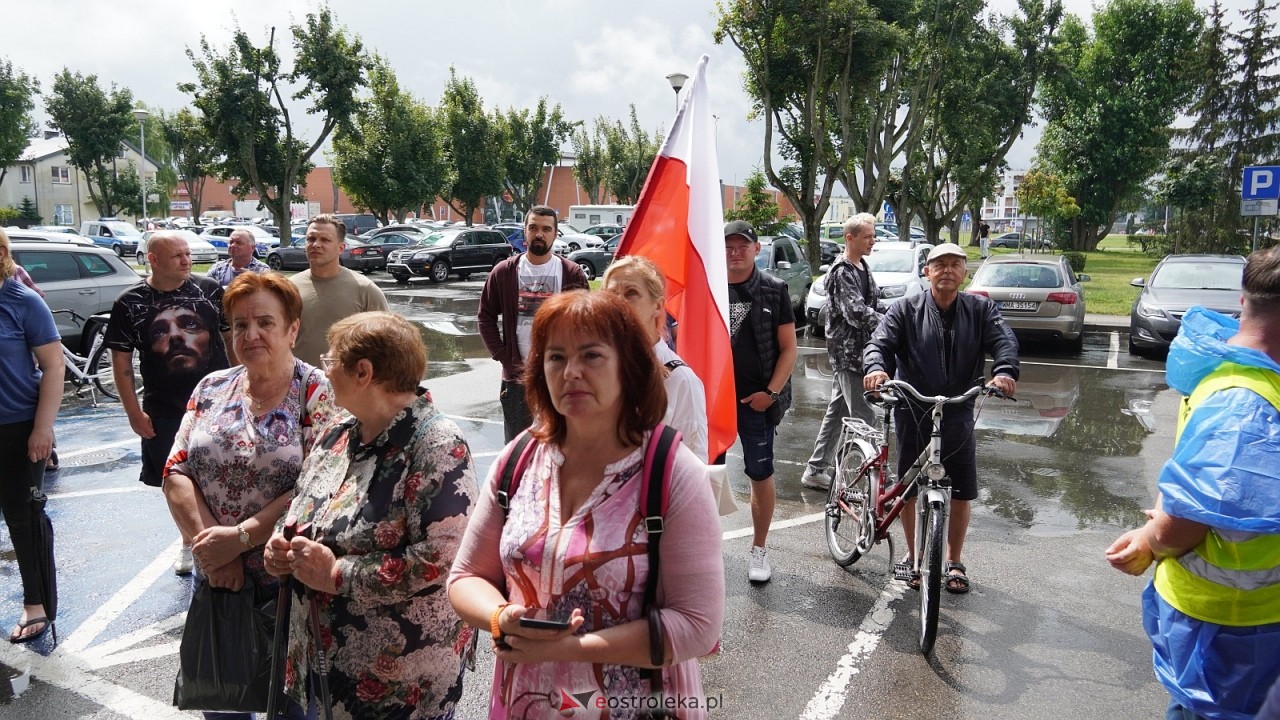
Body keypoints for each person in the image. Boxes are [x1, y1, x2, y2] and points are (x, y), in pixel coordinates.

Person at [448, 290, 724, 719]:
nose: (571, 372)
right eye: (555, 357)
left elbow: (696, 626)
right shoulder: (519, 457)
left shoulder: (672, 471)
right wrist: (501, 617)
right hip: (523, 704)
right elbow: (465, 577)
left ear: (629, 367)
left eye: (591, 356)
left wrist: (572, 650)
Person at [263, 311, 476, 719]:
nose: (325, 370)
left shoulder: (436, 444)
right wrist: (280, 542)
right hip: (320, 661)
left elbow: (441, 561)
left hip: (398, 683)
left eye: (330, 361)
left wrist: (336, 574)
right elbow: (301, 504)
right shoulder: (339, 429)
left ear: (363, 371)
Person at [1105, 245, 1280, 720]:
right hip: (1235, 628)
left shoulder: (1236, 376)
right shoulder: (1244, 404)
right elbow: (1185, 523)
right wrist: (1153, 537)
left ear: (1244, 301)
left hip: (1237, 623)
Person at [162, 272, 336, 720]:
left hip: (287, 584)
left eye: (265, 322)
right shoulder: (211, 387)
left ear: (293, 328)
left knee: (295, 709)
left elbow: (319, 486)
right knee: (223, 700)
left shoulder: (316, 391)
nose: (250, 334)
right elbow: (176, 470)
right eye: (239, 325)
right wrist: (217, 554)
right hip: (219, 577)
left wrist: (240, 539)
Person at [863, 242, 1018, 594]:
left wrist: (1005, 371)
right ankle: (913, 557)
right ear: (927, 272)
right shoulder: (905, 308)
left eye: (955, 265)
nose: (947, 270)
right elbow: (880, 343)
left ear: (964, 273)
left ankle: (954, 559)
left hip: (959, 407)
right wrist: (876, 370)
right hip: (913, 406)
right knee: (908, 486)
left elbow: (1003, 340)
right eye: (940, 265)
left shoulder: (980, 309)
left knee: (961, 490)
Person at [105, 231, 231, 575]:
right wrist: (132, 411)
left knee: (221, 470)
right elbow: (121, 364)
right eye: (177, 255)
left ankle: (223, 537)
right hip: (163, 407)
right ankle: (189, 540)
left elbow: (230, 338)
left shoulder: (209, 291)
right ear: (153, 259)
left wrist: (245, 383)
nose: (186, 261)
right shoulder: (129, 303)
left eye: (188, 254)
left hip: (216, 403)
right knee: (173, 478)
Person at [715, 220, 797, 583]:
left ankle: (759, 550)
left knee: (760, 473)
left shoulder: (774, 290)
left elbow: (789, 349)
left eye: (741, 245)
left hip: (756, 401)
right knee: (706, 475)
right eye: (728, 246)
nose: (735, 252)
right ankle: (704, 547)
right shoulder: (707, 286)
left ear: (756, 248)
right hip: (712, 401)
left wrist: (772, 393)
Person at [0, 228, 63, 643]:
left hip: (18, 428)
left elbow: (53, 366)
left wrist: (43, 428)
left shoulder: (22, 301)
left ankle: (36, 604)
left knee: (24, 518)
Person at [478, 205, 588, 442]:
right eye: (533, 228)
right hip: (518, 378)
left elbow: (587, 323)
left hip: (561, 376)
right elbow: (485, 316)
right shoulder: (503, 272)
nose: (539, 234)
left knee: (563, 446)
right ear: (525, 231)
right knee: (518, 450)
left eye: (546, 229)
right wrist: (503, 355)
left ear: (555, 233)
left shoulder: (571, 273)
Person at [801, 213, 881, 492]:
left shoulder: (862, 267)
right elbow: (856, 313)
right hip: (848, 355)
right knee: (866, 417)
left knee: (837, 413)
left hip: (861, 352)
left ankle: (816, 469)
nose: (873, 240)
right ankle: (877, 477)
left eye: (873, 235)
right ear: (851, 238)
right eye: (868, 236)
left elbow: (875, 302)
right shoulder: (842, 271)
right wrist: (890, 325)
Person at [602, 255, 709, 462]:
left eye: (631, 293)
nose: (619, 302)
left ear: (658, 306)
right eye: (611, 294)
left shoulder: (681, 380)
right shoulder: (591, 369)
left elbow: (696, 469)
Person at [288, 214, 387, 367]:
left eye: (325, 240)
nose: (316, 245)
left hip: (348, 386)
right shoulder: (289, 288)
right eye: (311, 239)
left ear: (341, 248)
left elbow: (385, 346)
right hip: (298, 385)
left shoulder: (365, 290)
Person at [206, 228, 270, 287]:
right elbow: (206, 291)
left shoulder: (262, 270)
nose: (233, 245)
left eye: (239, 243)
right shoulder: (217, 268)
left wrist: (252, 278)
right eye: (231, 242)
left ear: (252, 247)